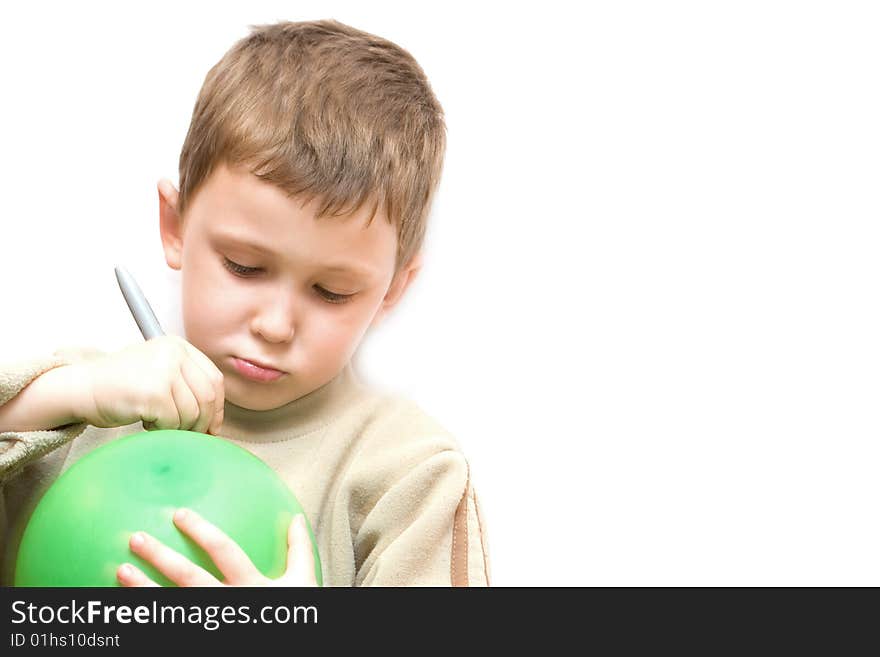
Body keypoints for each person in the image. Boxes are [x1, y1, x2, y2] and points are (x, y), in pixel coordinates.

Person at [0, 19, 489, 587]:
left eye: (332, 292)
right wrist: (66, 395)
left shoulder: (409, 474)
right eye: (244, 267)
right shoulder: (79, 407)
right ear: (175, 226)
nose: (275, 325)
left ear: (392, 289)